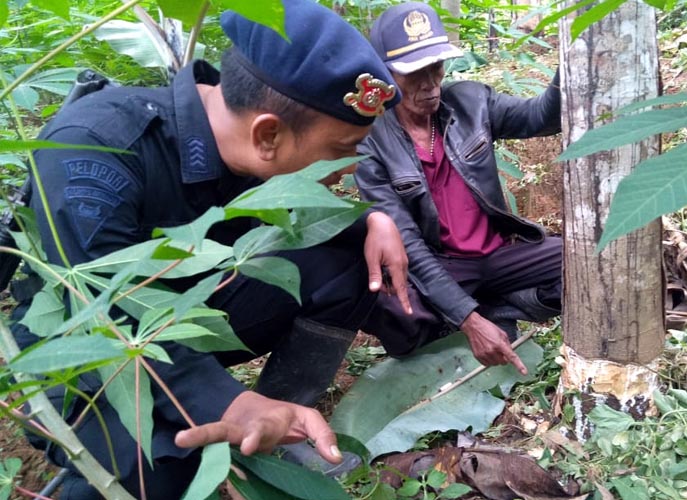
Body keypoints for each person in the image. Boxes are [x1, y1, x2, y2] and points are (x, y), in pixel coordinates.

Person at [9, 1, 411, 498]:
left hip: (186, 313)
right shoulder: (96, 148)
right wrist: (226, 404)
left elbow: (293, 215)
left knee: (346, 262)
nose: (350, 166)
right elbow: (103, 317)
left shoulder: (240, 141)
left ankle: (277, 427)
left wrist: (372, 219)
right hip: (83, 353)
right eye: (341, 149)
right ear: (268, 134)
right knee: (165, 466)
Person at [356, 2, 563, 375]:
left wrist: (573, 61)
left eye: (436, 66)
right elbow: (409, 246)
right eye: (414, 72)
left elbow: (541, 117)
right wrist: (470, 321)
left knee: (581, 261)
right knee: (390, 308)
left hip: (498, 255)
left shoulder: (471, 101)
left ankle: (500, 306)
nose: (430, 83)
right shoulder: (372, 141)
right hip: (440, 263)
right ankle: (461, 317)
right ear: (384, 76)